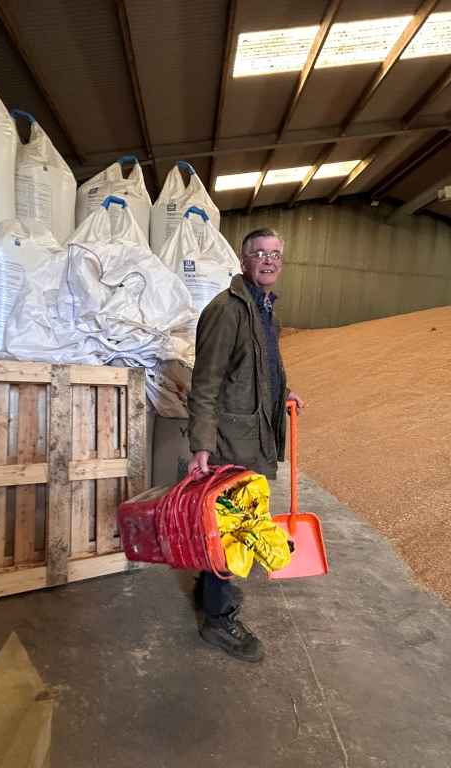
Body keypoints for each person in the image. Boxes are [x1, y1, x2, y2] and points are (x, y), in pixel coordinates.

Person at [186, 227, 304, 663]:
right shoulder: (227, 310)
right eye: (260, 253)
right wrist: (201, 443)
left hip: (251, 433)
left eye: (276, 254)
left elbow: (263, 365)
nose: (269, 261)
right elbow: (206, 381)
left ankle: (207, 587)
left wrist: (282, 395)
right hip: (230, 441)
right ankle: (217, 621)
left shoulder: (265, 309)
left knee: (228, 523)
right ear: (243, 260)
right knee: (230, 528)